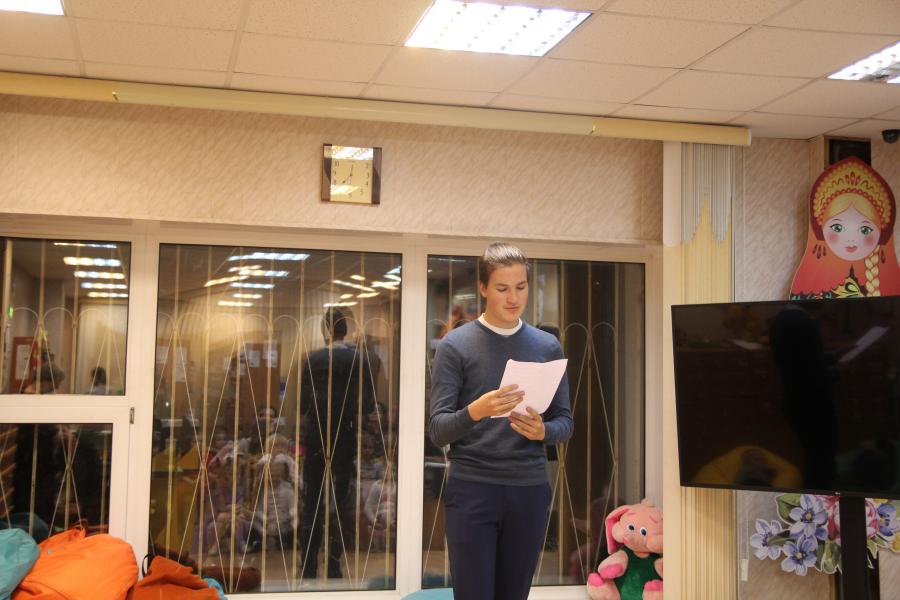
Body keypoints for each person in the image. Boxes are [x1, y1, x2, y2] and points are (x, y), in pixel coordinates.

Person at [429, 242, 573, 600]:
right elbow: (438, 430)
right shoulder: (454, 346)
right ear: (482, 288)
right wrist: (476, 410)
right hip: (472, 489)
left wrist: (543, 431)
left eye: (521, 287)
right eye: (502, 288)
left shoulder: (547, 346)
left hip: (529, 489)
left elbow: (565, 423)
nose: (513, 298)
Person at [298, 307, 376, 581]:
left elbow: (302, 405)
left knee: (311, 501)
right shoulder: (360, 360)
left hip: (316, 437)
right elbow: (367, 404)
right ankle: (334, 563)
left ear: (325, 329)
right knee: (340, 501)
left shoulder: (312, 360)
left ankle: (308, 565)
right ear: (347, 329)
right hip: (345, 436)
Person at [790, 156, 900, 298]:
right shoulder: (808, 285)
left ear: (882, 234)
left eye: (865, 230)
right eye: (837, 228)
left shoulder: (889, 283)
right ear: (820, 231)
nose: (851, 240)